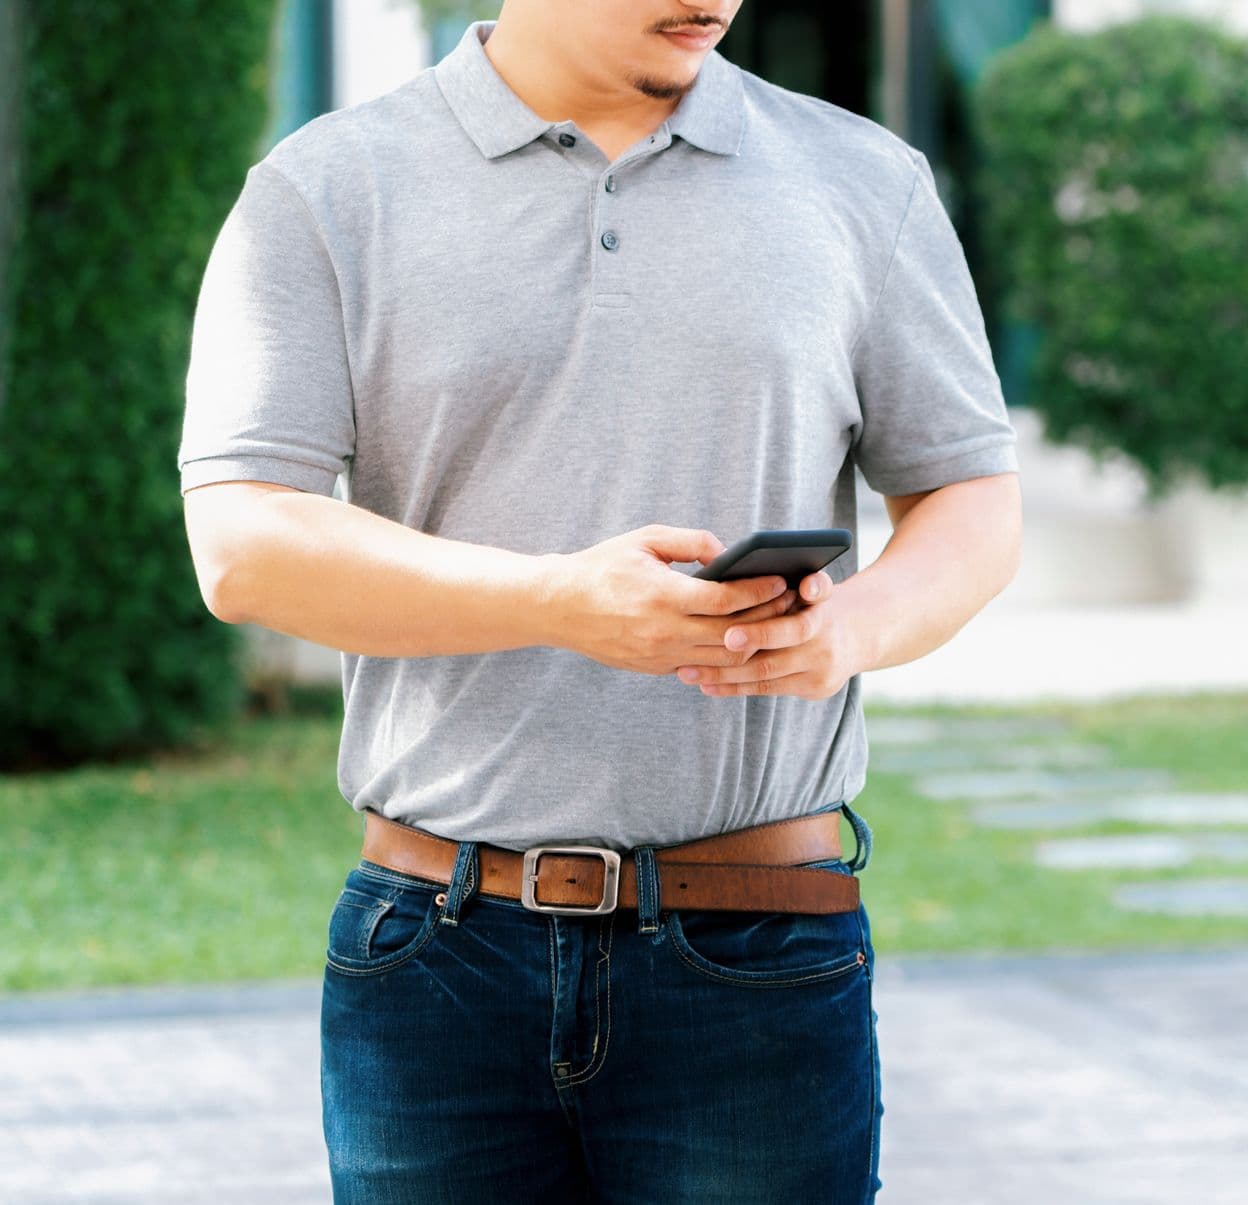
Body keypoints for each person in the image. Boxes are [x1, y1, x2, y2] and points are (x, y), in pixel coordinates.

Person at [175, 1, 1021, 1199]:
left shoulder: (863, 182)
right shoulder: (324, 189)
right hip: (433, 954)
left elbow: (973, 501)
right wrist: (556, 600)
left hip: (760, 941)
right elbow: (245, 542)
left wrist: (851, 629)